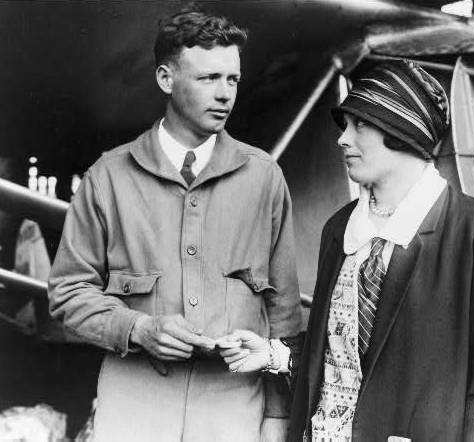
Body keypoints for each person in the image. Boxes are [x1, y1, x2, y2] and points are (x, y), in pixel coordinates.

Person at [224, 61, 474, 441]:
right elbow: (342, 354)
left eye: (360, 124)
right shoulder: (340, 230)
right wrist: (273, 354)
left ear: (402, 130)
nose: (343, 139)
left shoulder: (471, 226)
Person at [48, 9, 301, 442]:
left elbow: (284, 311)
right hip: (133, 410)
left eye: (233, 80)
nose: (224, 94)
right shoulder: (108, 177)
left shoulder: (264, 178)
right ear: (166, 79)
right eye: (208, 79)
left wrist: (277, 416)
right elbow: (68, 293)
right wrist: (139, 329)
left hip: (234, 413)